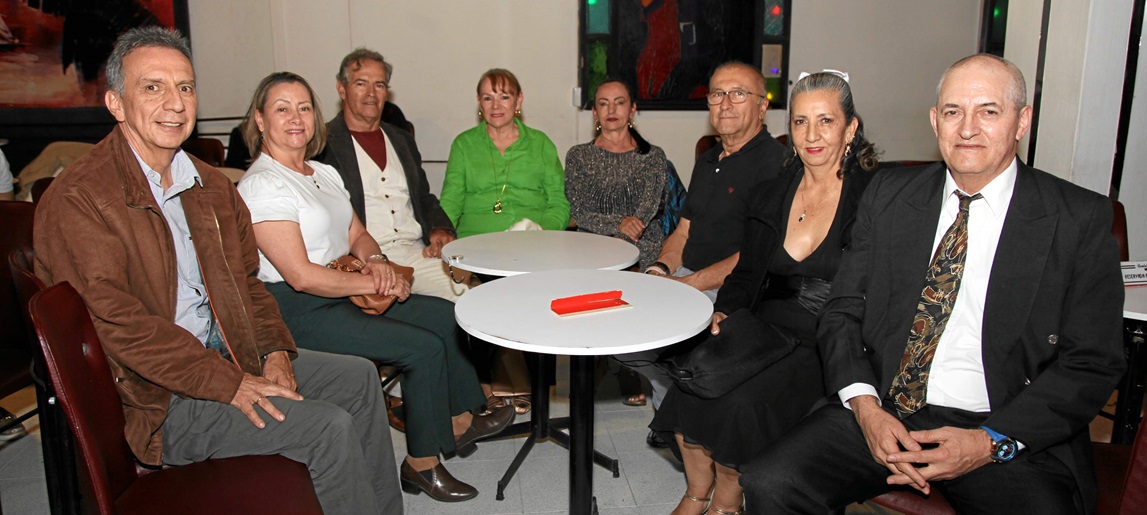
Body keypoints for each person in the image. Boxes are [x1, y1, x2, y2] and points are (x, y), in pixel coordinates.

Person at [32, 27, 403, 513]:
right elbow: (118, 325)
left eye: (184, 87)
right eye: (153, 87)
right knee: (326, 426)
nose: (175, 102)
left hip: (229, 349)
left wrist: (272, 351)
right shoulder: (81, 199)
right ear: (116, 104)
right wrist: (230, 384)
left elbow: (247, 282)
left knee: (355, 380)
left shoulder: (209, 185)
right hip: (157, 396)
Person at [742, 54, 1126, 514]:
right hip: (885, 409)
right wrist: (865, 407)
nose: (967, 129)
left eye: (988, 111)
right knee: (771, 482)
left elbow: (1092, 362)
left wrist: (987, 442)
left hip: (1002, 425)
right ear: (934, 120)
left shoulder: (1077, 219)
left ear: (1022, 121)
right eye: (952, 112)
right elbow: (842, 309)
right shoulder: (889, 196)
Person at [235, 71, 514, 503]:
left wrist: (378, 262)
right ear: (260, 118)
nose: (296, 118)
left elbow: (357, 235)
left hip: (345, 283)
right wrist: (367, 280)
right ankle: (421, 465)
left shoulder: (322, 173)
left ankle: (459, 420)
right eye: (282, 108)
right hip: (297, 309)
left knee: (445, 316)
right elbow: (300, 275)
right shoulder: (262, 184)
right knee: (420, 348)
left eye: (304, 108)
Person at [651, 70, 877, 515]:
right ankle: (697, 493)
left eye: (825, 121)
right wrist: (727, 313)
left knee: (741, 407)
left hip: (829, 335)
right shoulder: (774, 192)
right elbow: (749, 268)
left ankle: (726, 505)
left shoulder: (874, 197)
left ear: (850, 128)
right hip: (764, 321)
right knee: (691, 382)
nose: (811, 135)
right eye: (799, 122)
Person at [618, 62, 787, 441]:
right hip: (689, 277)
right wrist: (661, 268)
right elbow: (684, 229)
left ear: (762, 107)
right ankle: (673, 414)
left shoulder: (774, 165)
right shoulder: (708, 158)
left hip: (734, 290)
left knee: (662, 343)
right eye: (717, 94)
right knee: (624, 340)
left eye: (738, 94)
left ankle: (682, 423)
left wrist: (690, 284)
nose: (725, 103)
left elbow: (756, 255)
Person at [317, 48, 466, 301]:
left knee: (470, 293)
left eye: (379, 85)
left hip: (416, 251)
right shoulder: (322, 145)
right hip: (365, 260)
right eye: (361, 84)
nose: (371, 93)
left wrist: (439, 228)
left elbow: (423, 197)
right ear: (341, 89)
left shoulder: (402, 140)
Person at [439, 68, 570, 237]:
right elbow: (451, 201)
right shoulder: (463, 144)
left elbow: (559, 202)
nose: (495, 106)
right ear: (479, 102)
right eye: (488, 98)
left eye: (504, 97)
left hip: (532, 241)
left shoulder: (540, 143)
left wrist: (542, 232)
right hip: (476, 241)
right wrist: (441, 232)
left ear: (519, 99)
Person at [566, 79, 668, 270]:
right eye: (604, 104)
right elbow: (579, 212)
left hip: (642, 246)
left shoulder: (653, 156)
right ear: (595, 113)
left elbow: (647, 210)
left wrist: (621, 240)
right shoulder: (578, 155)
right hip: (591, 245)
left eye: (619, 103)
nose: (611, 110)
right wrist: (619, 224)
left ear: (632, 109)